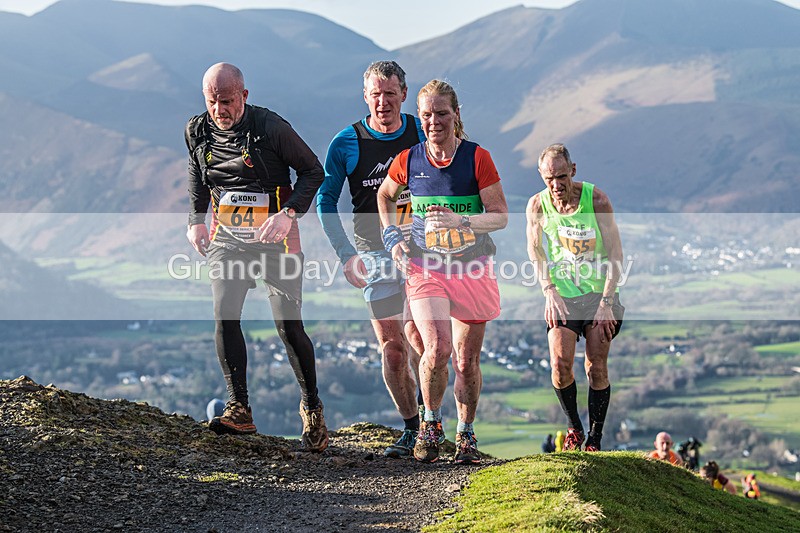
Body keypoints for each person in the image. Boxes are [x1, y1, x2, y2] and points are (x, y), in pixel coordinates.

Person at [185, 63, 328, 452]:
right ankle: (239, 408)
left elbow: (314, 171)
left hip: (276, 236)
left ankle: (312, 406)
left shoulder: (270, 128)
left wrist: (289, 214)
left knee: (287, 326)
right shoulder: (197, 131)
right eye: (213, 102)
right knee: (225, 314)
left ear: (244, 96)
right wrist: (196, 221)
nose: (220, 110)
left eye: (227, 101)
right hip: (229, 237)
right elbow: (198, 176)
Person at [377, 79, 508, 464]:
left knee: (466, 361)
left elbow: (499, 216)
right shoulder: (409, 159)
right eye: (427, 115)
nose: (435, 121)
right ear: (420, 117)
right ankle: (429, 426)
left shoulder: (476, 158)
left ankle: (465, 435)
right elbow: (384, 194)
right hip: (425, 266)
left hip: (472, 267)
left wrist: (461, 222)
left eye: (442, 114)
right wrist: (392, 238)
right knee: (437, 348)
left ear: (456, 114)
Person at [317, 60, 426, 458]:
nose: (383, 101)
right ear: (365, 96)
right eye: (375, 94)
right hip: (374, 254)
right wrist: (346, 255)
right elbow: (325, 201)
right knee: (393, 348)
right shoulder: (346, 142)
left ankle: (432, 422)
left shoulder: (420, 132)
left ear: (403, 94)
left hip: (422, 251)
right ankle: (412, 428)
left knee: (420, 336)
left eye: (390, 93)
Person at [525, 143, 625, 452]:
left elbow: (616, 255)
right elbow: (535, 249)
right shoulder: (537, 206)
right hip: (563, 296)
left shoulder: (597, 201)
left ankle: (594, 439)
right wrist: (548, 290)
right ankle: (574, 428)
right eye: (549, 179)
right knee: (559, 363)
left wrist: (607, 303)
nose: (556, 185)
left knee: (595, 366)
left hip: (600, 295)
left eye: (562, 177)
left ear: (574, 171)